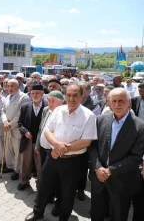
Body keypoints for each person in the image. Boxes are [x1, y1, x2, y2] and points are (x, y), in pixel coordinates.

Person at [25, 84, 97, 221]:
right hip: (52, 157)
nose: (71, 98)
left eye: (75, 95)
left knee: (67, 192)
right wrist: (57, 145)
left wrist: (63, 149)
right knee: (44, 185)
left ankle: (64, 217)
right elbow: (47, 130)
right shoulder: (58, 110)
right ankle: (37, 212)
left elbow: (86, 141)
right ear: (65, 96)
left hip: (73, 161)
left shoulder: (89, 116)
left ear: (82, 96)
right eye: (69, 95)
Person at [89, 88, 144, 221]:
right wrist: (97, 167)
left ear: (129, 102)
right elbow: (92, 146)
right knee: (96, 212)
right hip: (98, 176)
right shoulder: (100, 120)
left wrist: (110, 170)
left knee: (119, 214)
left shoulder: (140, 126)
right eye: (114, 101)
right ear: (109, 102)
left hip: (122, 180)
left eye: (121, 101)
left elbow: (135, 157)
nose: (117, 104)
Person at [17, 84, 47, 191]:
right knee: (25, 162)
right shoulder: (25, 106)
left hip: (42, 142)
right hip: (27, 140)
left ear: (42, 94)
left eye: (37, 93)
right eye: (32, 93)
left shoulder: (47, 107)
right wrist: (24, 132)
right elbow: (20, 123)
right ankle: (24, 181)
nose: (34, 95)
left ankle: (41, 184)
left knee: (40, 165)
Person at [34, 91, 65, 183]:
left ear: (61, 102)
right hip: (43, 147)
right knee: (42, 169)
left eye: (53, 101)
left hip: (53, 150)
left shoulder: (63, 113)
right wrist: (37, 145)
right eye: (49, 100)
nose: (50, 103)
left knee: (51, 173)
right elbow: (41, 128)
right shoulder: (46, 109)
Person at [2, 79, 29, 179]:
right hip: (7, 127)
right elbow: (2, 111)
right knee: (8, 149)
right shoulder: (7, 97)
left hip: (16, 128)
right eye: (8, 86)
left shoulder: (24, 97)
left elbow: (21, 114)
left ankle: (17, 170)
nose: (9, 88)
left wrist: (10, 124)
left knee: (17, 151)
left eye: (12, 86)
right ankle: (10, 166)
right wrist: (5, 121)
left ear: (18, 86)